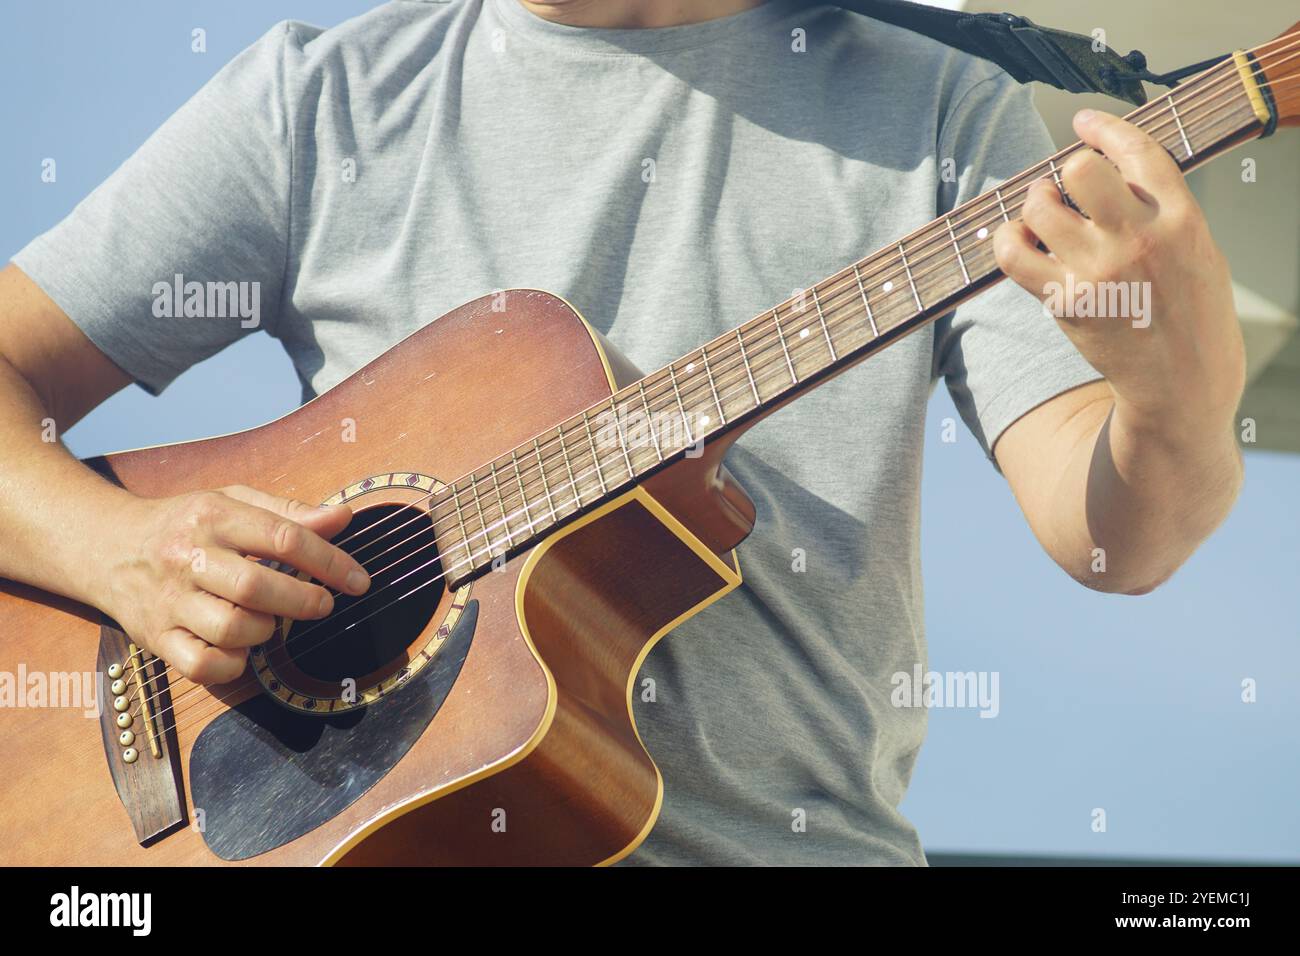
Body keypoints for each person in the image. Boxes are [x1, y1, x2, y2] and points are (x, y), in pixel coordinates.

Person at [0, 0, 1244, 865]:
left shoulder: (942, 111)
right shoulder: (313, 105)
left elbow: (1112, 541)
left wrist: (1177, 393)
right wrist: (120, 550)